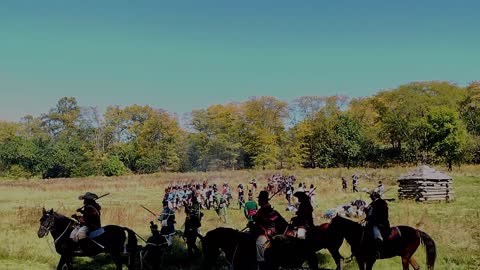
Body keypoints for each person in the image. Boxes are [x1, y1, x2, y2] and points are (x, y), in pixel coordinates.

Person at [253, 191, 288, 269]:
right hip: (260, 230)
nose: (258, 201)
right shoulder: (262, 209)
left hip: (268, 232)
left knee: (259, 242)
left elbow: (270, 220)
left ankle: (260, 262)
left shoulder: (267, 209)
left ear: (263, 200)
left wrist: (258, 219)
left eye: (260, 199)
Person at [365, 191, 390, 258]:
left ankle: (379, 251)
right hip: (372, 222)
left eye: (371, 197)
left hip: (380, 223)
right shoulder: (373, 203)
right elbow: (370, 212)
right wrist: (366, 211)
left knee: (377, 235)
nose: (370, 198)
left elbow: (382, 215)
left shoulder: (381, 203)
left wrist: (373, 220)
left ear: (374, 196)